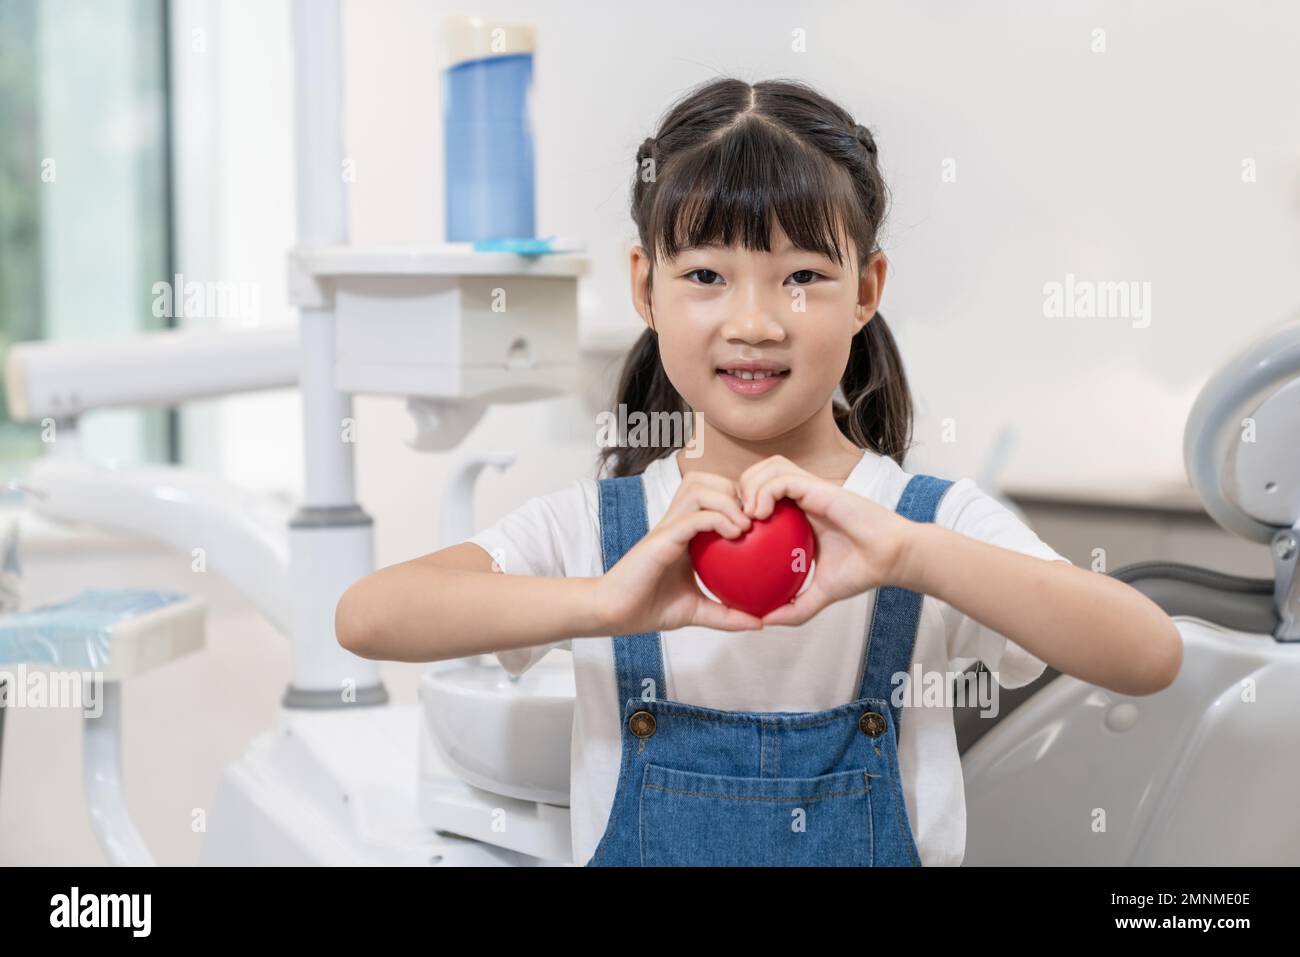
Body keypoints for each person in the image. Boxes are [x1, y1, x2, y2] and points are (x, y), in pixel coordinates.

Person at [336, 76, 1182, 867]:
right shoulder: (596, 530)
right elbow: (369, 617)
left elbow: (1146, 652)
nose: (755, 321)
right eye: (706, 274)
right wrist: (602, 600)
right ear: (645, 287)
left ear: (866, 290)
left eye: (803, 277)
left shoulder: (925, 523)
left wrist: (911, 557)